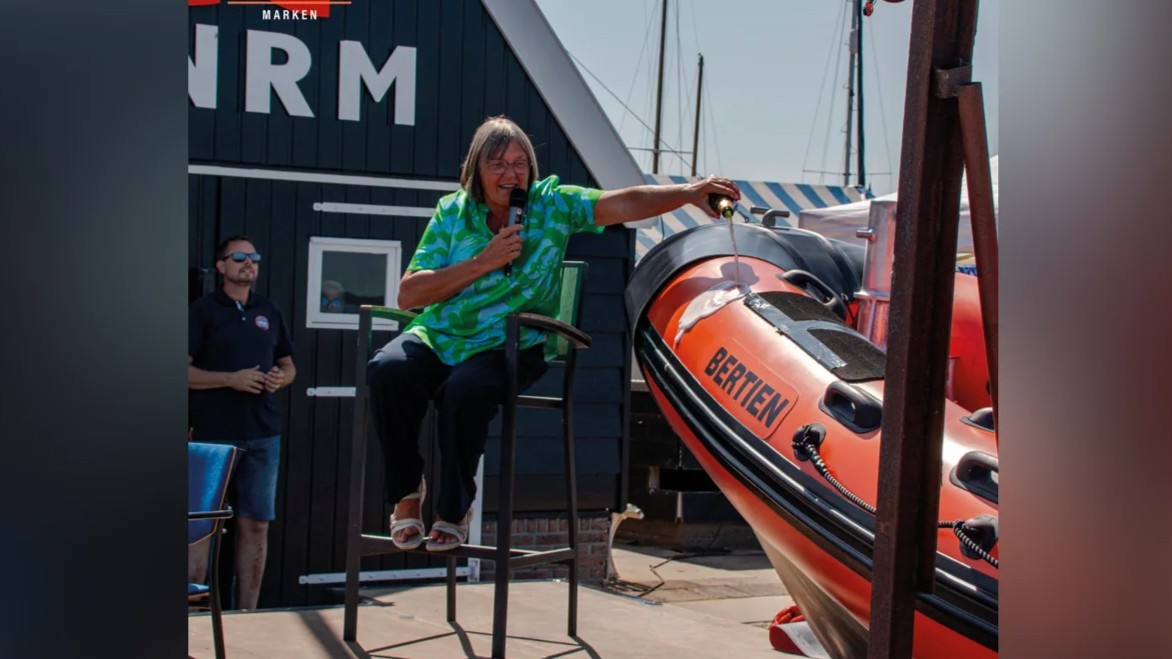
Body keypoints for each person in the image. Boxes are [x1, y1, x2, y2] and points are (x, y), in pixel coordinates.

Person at [367, 115, 740, 551]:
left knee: (463, 392)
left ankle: (453, 508)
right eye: (498, 164)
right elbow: (409, 294)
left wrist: (689, 192)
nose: (511, 174)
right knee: (387, 370)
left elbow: (623, 203)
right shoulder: (453, 212)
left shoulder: (552, 205)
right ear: (476, 170)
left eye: (519, 163)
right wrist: (484, 262)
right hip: (444, 334)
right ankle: (406, 494)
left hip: (512, 342)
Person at [188, 235, 296, 609]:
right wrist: (229, 379)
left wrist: (281, 378)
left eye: (254, 257)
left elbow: (289, 365)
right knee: (201, 526)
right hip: (212, 437)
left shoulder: (269, 310)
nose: (248, 263)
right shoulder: (202, 311)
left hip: (263, 435)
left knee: (256, 523)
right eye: (238, 257)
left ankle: (248, 613)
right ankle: (194, 612)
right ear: (221, 266)